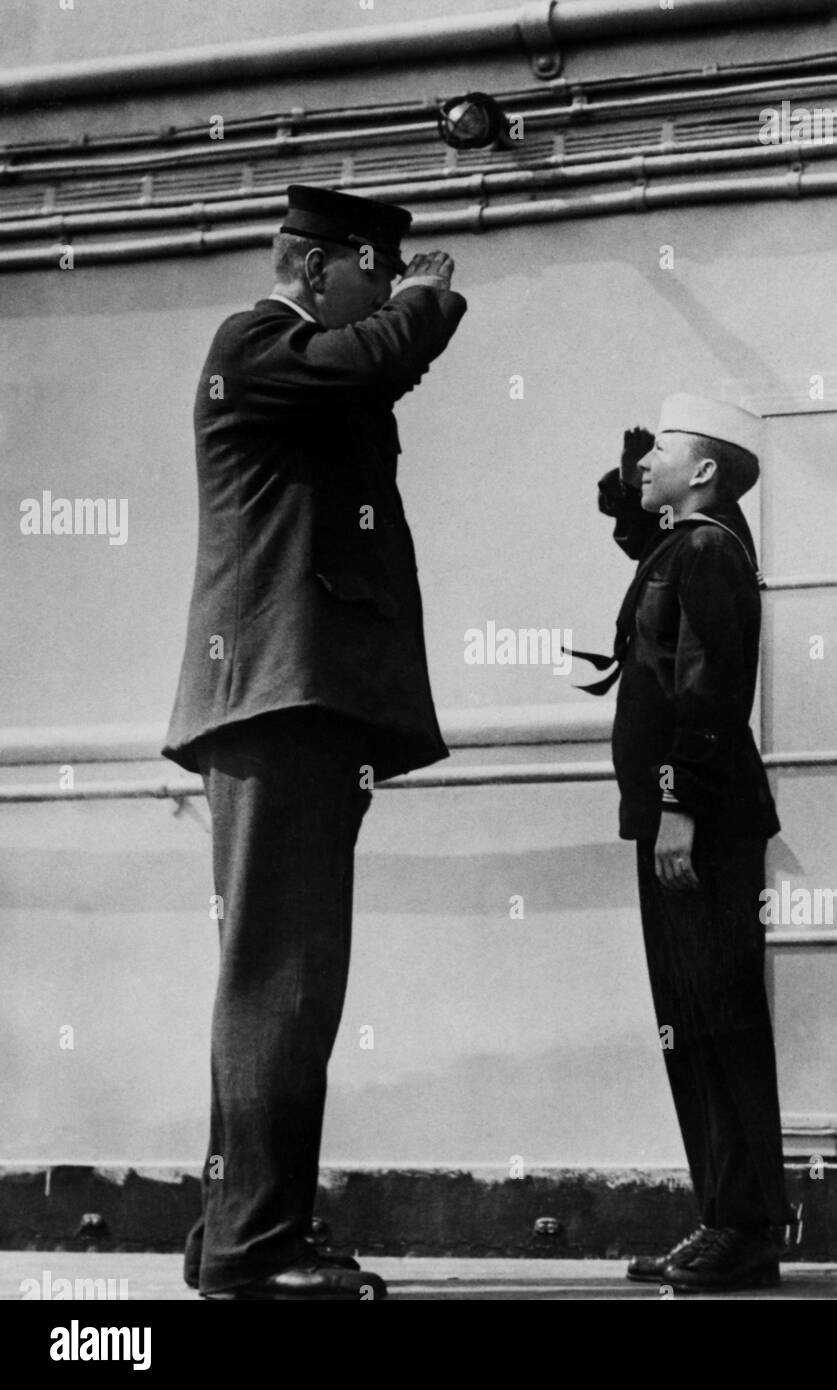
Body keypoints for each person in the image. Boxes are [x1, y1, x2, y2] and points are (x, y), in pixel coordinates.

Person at [161, 184, 467, 1299]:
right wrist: (433, 298)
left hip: (296, 703)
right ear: (314, 265)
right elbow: (376, 361)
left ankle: (233, 1226)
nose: (385, 291)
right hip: (279, 700)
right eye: (375, 272)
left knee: (275, 977)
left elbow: (372, 375)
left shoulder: (295, 365)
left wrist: (406, 314)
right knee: (283, 978)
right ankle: (257, 1244)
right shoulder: (255, 341)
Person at [584, 394, 789, 1293]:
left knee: (720, 1021)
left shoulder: (707, 550)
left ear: (702, 472)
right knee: (691, 1027)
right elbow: (621, 504)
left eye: (662, 451)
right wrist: (641, 454)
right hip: (676, 817)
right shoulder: (680, 541)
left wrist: (679, 805)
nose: (641, 466)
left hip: (696, 821)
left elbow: (710, 687)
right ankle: (722, 1220)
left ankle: (745, 1226)